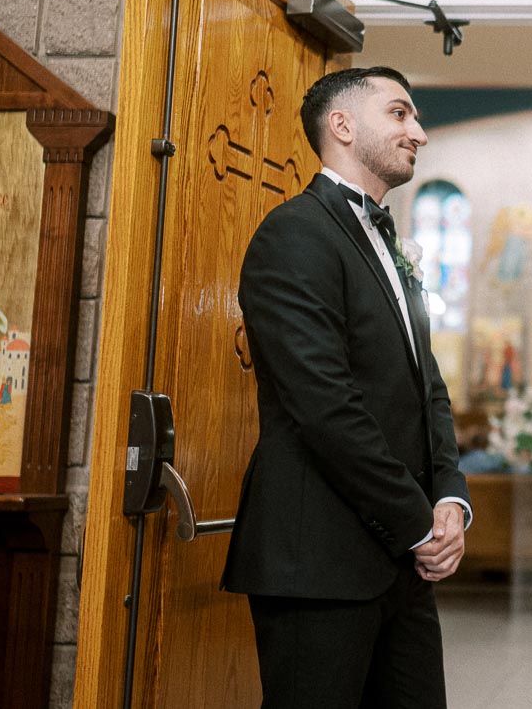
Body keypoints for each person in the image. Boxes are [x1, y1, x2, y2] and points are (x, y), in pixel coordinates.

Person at [221, 66, 471, 709]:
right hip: (319, 558)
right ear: (341, 125)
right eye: (399, 114)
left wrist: (450, 498)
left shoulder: (389, 242)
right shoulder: (294, 233)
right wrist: (419, 523)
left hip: (402, 561)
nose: (417, 130)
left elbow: (427, 386)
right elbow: (324, 405)